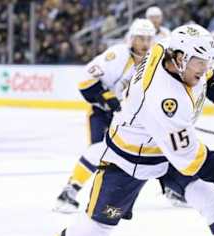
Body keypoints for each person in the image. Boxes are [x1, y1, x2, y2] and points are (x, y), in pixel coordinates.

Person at [19, 24, 214, 236]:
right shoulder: (164, 98)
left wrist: (211, 76)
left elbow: (195, 69)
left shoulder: (168, 49)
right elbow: (193, 160)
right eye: (200, 62)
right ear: (179, 59)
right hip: (129, 160)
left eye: (208, 61)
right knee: (94, 230)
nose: (204, 67)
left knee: (212, 201)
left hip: (165, 150)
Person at [53, 19, 156, 213]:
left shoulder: (152, 62)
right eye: (141, 38)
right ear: (131, 38)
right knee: (99, 150)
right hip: (102, 111)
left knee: (132, 156)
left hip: (124, 117)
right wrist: (108, 98)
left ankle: (116, 200)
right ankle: (69, 191)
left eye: (148, 38)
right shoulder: (117, 54)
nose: (145, 42)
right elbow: (85, 81)